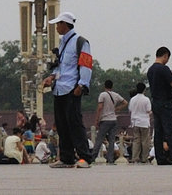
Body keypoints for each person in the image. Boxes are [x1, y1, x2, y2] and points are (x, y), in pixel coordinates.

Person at [43, 10, 93, 168]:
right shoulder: (63, 43)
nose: (56, 27)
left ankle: (85, 157)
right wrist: (51, 77)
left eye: (58, 24)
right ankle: (66, 158)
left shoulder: (80, 42)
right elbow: (60, 66)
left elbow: (86, 65)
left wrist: (82, 85)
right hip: (59, 88)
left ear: (65, 24)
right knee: (62, 124)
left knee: (75, 123)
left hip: (72, 88)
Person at [147, 47, 172, 165]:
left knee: (158, 132)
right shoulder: (164, 69)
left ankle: (160, 158)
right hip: (165, 103)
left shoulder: (150, 70)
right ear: (165, 55)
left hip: (155, 102)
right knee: (170, 130)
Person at [91, 79, 127, 163]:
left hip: (105, 120)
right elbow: (125, 102)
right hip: (113, 120)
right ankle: (110, 159)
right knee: (112, 141)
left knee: (99, 139)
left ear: (104, 86)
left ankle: (93, 157)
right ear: (112, 86)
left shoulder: (102, 95)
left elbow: (100, 108)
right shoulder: (116, 95)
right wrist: (118, 108)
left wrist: (97, 120)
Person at [128, 81, 152, 163]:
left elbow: (130, 109)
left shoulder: (132, 99)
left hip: (135, 122)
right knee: (145, 141)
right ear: (144, 89)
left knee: (136, 140)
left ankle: (135, 157)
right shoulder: (146, 99)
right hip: (144, 122)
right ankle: (144, 158)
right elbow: (148, 110)